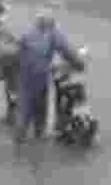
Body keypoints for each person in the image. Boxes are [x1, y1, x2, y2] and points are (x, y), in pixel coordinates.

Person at [14, 7, 82, 141]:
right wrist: (80, 65)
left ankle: (19, 143)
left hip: (24, 76)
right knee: (39, 113)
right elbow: (68, 53)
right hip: (39, 77)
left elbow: (17, 53)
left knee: (24, 112)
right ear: (51, 23)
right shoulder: (53, 34)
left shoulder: (27, 34)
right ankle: (37, 143)